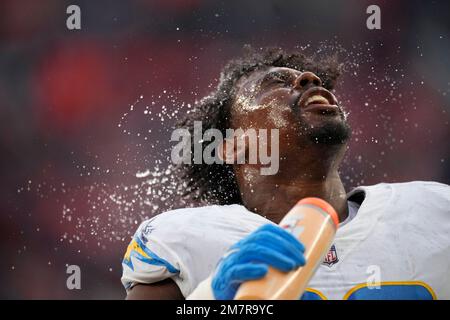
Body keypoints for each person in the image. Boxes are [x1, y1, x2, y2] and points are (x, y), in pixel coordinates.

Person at [121, 47, 450, 300]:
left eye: (313, 79)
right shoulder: (190, 239)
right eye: (275, 83)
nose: (309, 78)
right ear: (231, 146)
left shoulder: (434, 210)